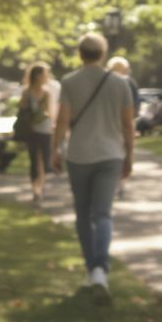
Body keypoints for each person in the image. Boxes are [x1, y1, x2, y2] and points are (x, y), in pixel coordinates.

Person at [52, 33, 134, 302]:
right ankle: (100, 269)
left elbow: (63, 120)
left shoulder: (69, 82)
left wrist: (56, 149)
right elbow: (127, 124)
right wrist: (129, 155)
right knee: (103, 215)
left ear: (80, 53)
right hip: (110, 155)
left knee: (83, 215)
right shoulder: (120, 83)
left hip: (79, 155)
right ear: (103, 53)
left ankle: (92, 268)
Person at [19, 63, 59, 206]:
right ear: (37, 76)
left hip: (45, 130)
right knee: (35, 161)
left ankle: (39, 188)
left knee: (44, 161)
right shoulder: (27, 92)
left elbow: (50, 112)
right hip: (32, 131)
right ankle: (36, 189)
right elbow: (22, 111)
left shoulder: (47, 93)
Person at [107, 56, 140, 198]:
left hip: (109, 123)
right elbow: (136, 106)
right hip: (125, 122)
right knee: (125, 151)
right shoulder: (129, 83)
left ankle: (114, 182)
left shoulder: (106, 83)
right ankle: (121, 183)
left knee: (111, 151)